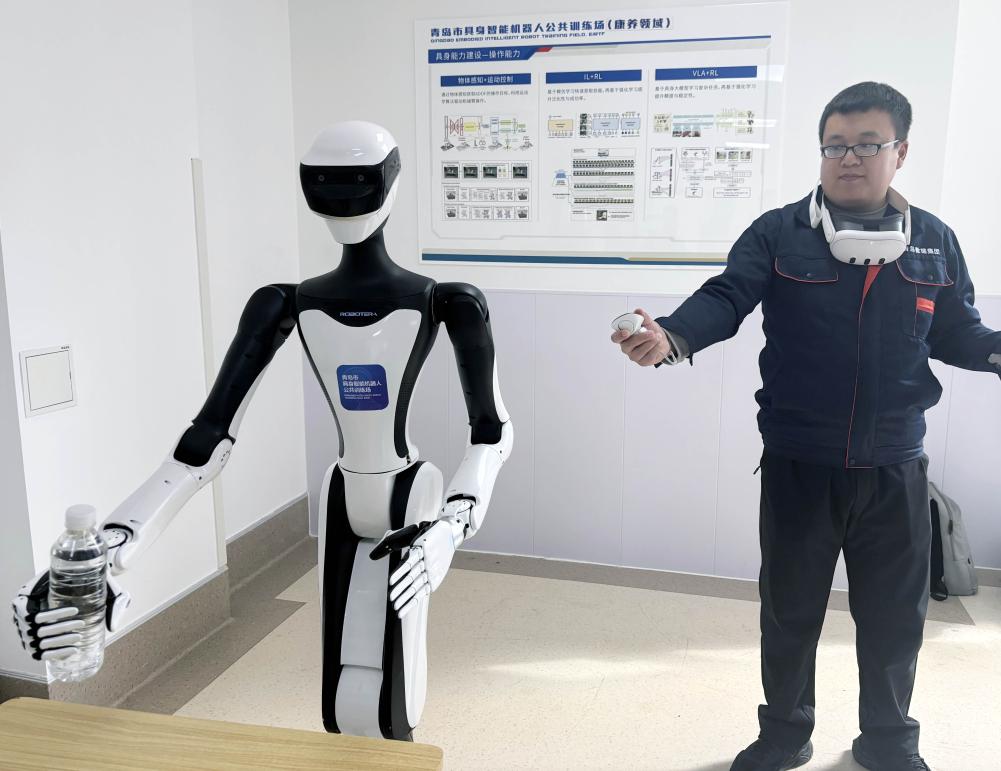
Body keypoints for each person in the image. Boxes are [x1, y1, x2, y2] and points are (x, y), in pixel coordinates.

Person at [612, 82, 1001, 771]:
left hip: (895, 467)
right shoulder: (778, 232)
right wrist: (671, 336)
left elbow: (957, 333)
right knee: (788, 613)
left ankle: (888, 741)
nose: (847, 158)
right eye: (834, 145)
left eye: (867, 144)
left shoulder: (935, 242)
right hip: (799, 463)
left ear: (900, 151)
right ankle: (784, 735)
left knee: (894, 620)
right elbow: (725, 297)